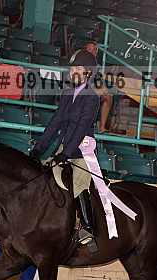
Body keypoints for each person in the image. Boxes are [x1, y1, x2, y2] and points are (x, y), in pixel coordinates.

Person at [30, 49, 101, 245]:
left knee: (78, 184)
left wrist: (67, 153)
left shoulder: (92, 97)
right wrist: (39, 148)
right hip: (65, 147)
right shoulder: (68, 93)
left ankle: (87, 228)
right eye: (72, 68)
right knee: (43, 175)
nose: (73, 72)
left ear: (88, 72)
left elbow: (82, 127)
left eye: (78, 68)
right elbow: (56, 122)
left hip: (83, 151)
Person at [69, 41, 113, 133]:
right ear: (85, 50)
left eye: (94, 50)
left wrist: (102, 90)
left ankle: (102, 127)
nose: (92, 52)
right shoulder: (78, 60)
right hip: (77, 89)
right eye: (89, 49)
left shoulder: (95, 66)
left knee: (108, 96)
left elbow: (98, 82)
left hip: (89, 89)